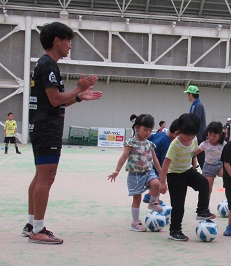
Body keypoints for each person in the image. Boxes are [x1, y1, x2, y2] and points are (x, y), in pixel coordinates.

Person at [24, 22, 102, 244]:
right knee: (47, 177)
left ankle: (31, 223)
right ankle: (37, 229)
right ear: (57, 40)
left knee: (40, 176)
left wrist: (78, 97)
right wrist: (78, 89)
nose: (69, 46)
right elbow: (55, 99)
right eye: (68, 41)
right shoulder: (48, 65)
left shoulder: (46, 64)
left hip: (42, 126)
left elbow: (56, 102)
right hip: (47, 129)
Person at [159, 113, 215, 241]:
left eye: (193, 134)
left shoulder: (194, 139)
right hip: (175, 176)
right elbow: (166, 163)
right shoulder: (175, 144)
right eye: (187, 135)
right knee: (178, 205)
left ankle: (202, 210)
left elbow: (193, 153)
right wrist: (162, 182)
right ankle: (174, 231)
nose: (190, 138)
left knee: (203, 183)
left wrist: (194, 164)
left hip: (188, 170)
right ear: (179, 131)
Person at [108, 114, 162, 232]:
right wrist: (117, 170)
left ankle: (153, 202)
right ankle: (135, 222)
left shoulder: (150, 143)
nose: (147, 133)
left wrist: (161, 172)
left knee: (156, 183)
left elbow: (155, 159)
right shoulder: (131, 142)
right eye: (145, 130)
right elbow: (124, 157)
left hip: (148, 171)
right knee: (137, 199)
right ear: (137, 128)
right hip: (135, 175)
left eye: (150, 130)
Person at [142, 119, 179, 203]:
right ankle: (155, 201)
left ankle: (150, 195)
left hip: (148, 161)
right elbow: (164, 162)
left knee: (155, 182)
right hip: (155, 164)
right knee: (158, 181)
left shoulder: (161, 133)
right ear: (176, 133)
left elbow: (149, 138)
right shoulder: (168, 143)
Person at [194, 121, 226, 200]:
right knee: (208, 189)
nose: (211, 138)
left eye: (214, 136)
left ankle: (229, 199)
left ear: (220, 135)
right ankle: (205, 207)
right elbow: (194, 153)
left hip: (220, 166)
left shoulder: (224, 144)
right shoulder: (205, 144)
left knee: (226, 174)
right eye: (210, 135)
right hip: (208, 167)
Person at [184, 85, 206, 169]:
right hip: (195, 135)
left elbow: (196, 121)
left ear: (190, 94)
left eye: (188, 94)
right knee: (194, 155)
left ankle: (205, 174)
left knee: (200, 156)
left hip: (198, 136)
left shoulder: (198, 105)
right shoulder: (195, 105)